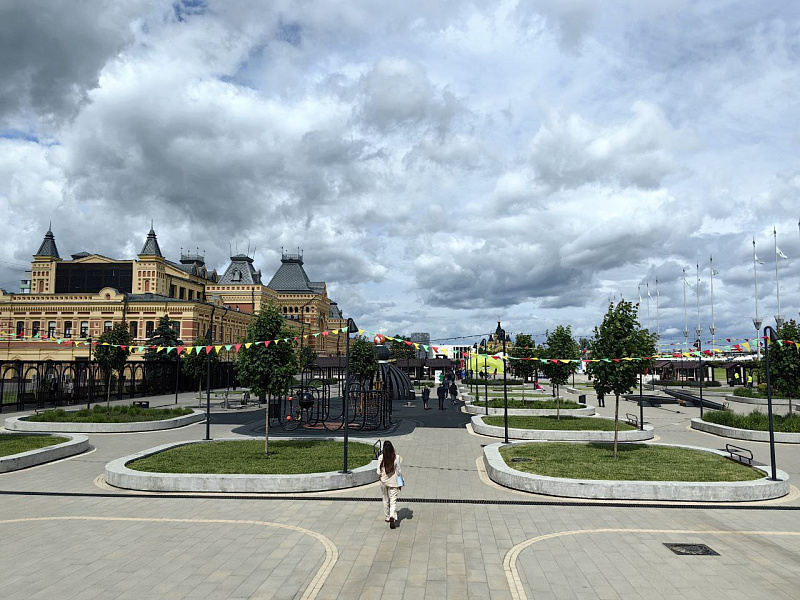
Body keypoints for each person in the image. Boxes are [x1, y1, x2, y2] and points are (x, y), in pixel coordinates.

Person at [376, 440, 403, 529]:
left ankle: (387, 517)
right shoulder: (396, 457)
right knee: (393, 500)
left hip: (383, 481)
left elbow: (378, 471)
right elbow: (398, 471)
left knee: (385, 498)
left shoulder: (381, 457)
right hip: (394, 481)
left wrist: (380, 476)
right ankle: (392, 515)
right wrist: (400, 482)